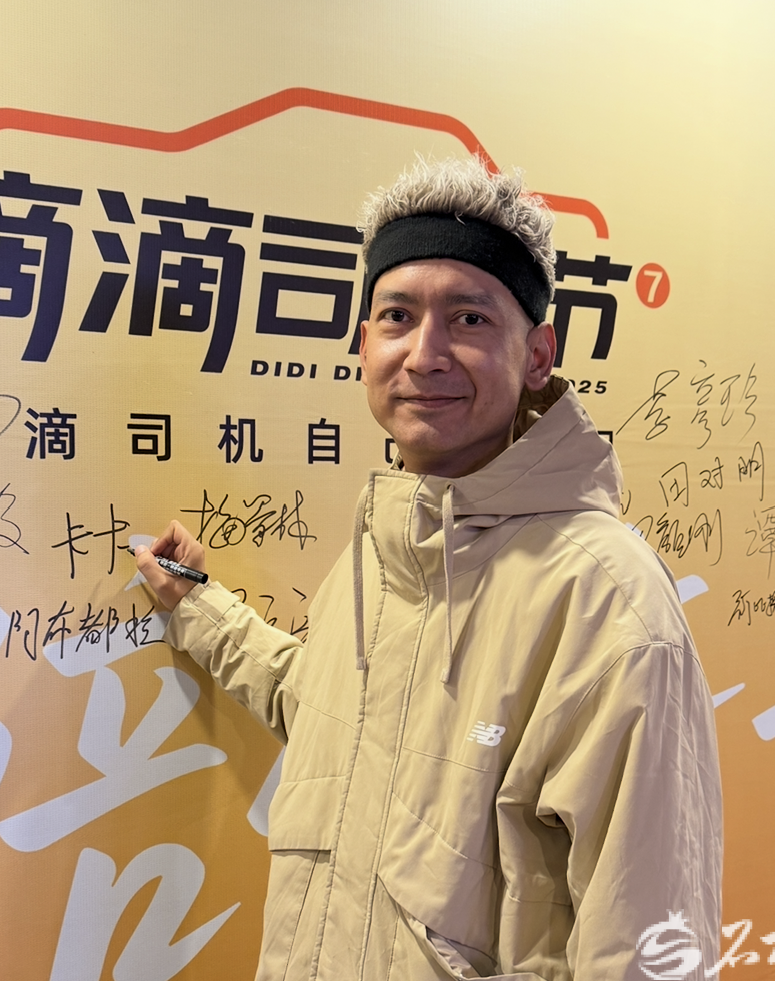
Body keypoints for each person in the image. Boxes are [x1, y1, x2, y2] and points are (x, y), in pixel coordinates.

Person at [135, 157, 722, 981]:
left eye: (470, 318)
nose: (425, 354)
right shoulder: (388, 545)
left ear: (538, 354)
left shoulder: (605, 598)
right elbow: (321, 708)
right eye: (398, 316)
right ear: (363, 343)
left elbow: (651, 944)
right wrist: (196, 605)